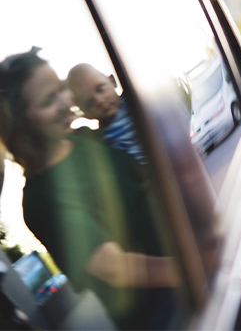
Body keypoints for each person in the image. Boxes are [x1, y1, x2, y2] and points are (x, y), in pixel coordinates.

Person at [0, 48, 178, 329]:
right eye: (49, 100)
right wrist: (193, 268)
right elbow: (114, 268)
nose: (65, 101)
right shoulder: (40, 200)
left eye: (61, 88)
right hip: (166, 310)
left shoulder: (87, 137)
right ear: (21, 125)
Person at [66, 63, 147, 165]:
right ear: (86, 114)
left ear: (112, 81)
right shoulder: (99, 139)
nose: (99, 101)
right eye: (90, 103)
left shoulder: (133, 103)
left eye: (100, 89)